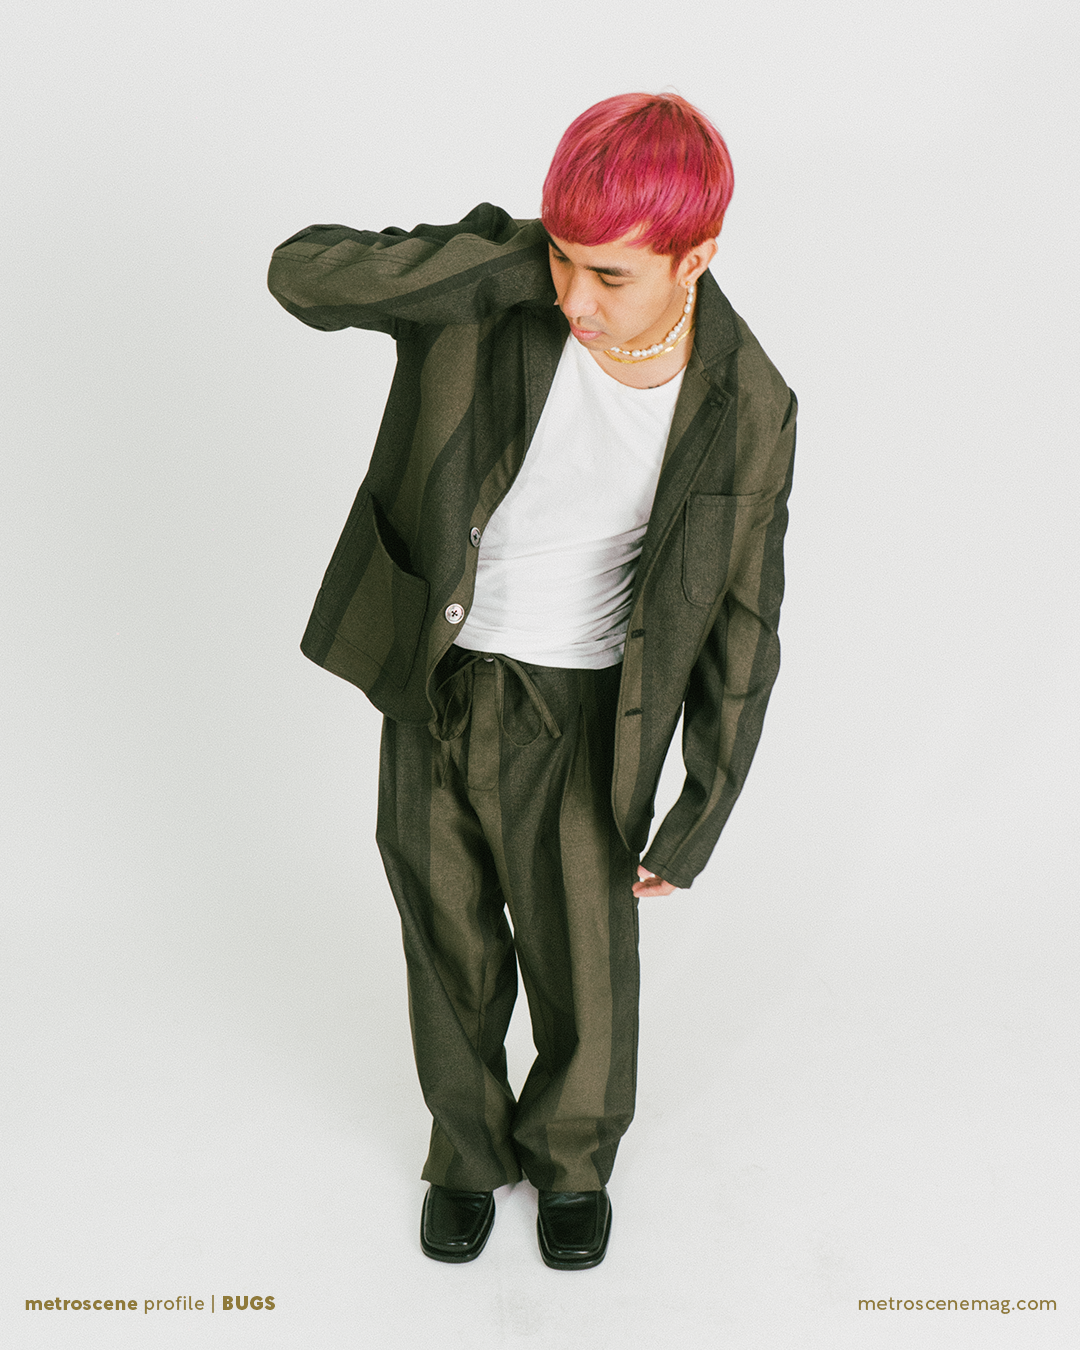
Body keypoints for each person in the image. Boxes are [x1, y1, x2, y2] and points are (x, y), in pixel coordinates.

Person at [267, 92, 796, 1270]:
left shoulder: (750, 404)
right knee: (444, 931)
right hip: (435, 673)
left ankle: (571, 1163)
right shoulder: (497, 291)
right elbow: (301, 275)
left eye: (609, 274)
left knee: (582, 964)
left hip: (588, 707)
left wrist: (700, 810)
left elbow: (745, 619)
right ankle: (465, 1152)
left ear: (695, 257)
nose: (575, 298)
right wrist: (504, 257)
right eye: (562, 257)